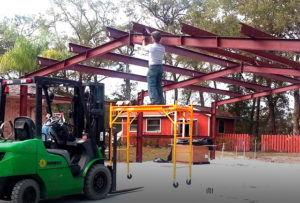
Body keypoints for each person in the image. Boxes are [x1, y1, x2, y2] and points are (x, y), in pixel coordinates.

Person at [142, 31, 165, 105]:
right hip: (160, 67)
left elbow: (143, 48)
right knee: (158, 85)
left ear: (153, 38)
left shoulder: (151, 47)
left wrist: (143, 40)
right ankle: (161, 101)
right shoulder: (162, 48)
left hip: (153, 67)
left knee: (151, 84)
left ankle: (155, 100)